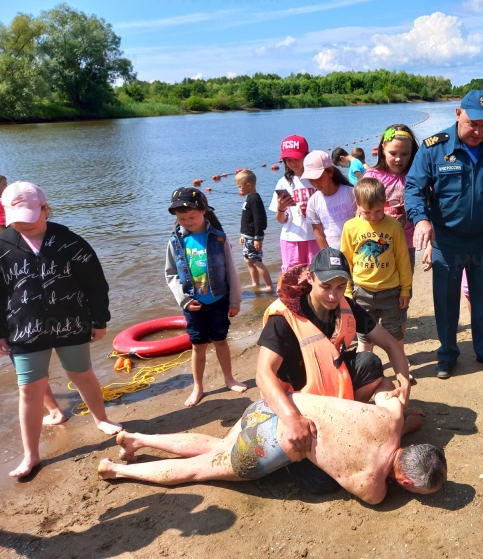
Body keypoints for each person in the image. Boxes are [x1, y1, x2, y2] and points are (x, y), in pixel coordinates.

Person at [98, 390, 447, 505]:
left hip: (276, 404)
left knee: (220, 446)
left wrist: (405, 416)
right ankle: (118, 470)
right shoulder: (374, 487)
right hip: (268, 444)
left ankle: (137, 439)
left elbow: (389, 396)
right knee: (199, 469)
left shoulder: (391, 420)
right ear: (405, 482)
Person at [0, 182, 122, 478]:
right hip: (24, 329)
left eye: (30, 217)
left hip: (70, 321)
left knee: (81, 373)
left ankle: (101, 418)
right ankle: (31, 455)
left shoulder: (69, 241)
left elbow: (95, 283)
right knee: (29, 389)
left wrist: (99, 319)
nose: (23, 226)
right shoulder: (2, 246)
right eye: (16, 219)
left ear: (45, 208)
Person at [405, 89, 483, 379]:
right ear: (458, 114)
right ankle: (447, 355)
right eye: (474, 123)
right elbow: (414, 188)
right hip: (447, 241)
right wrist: (421, 220)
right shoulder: (434, 147)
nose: (479, 131)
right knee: (446, 302)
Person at [255, 247, 412, 455]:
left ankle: (350, 421)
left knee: (370, 363)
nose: (333, 295)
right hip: (295, 399)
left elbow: (390, 344)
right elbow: (263, 373)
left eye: (340, 287)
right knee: (317, 484)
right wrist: (291, 417)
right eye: (325, 286)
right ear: (310, 278)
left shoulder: (346, 306)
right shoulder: (283, 318)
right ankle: (387, 424)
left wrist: (405, 383)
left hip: (329, 390)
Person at [165, 186, 246, 407]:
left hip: (219, 300)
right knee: (198, 346)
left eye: (191, 217)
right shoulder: (175, 241)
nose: (187, 221)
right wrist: (184, 300)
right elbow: (171, 274)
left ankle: (229, 378)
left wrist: (235, 301)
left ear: (203, 212)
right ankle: (198, 387)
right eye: (182, 218)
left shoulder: (219, 238)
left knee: (221, 341)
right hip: (193, 304)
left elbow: (231, 271)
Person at [340, 178, 413, 353]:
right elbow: (346, 262)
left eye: (378, 211)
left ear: (385, 203)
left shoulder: (394, 226)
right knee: (364, 336)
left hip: (390, 291)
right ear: (357, 204)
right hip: (361, 291)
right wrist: (347, 292)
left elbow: (403, 260)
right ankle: (367, 372)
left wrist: (405, 290)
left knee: (395, 334)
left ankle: (401, 366)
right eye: (367, 212)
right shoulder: (350, 227)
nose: (373, 217)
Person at [363, 124, 420, 272]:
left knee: (404, 286)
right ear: (383, 149)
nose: (398, 159)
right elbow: (360, 212)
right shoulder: (372, 177)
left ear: (412, 152)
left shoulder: (417, 176)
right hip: (377, 241)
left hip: (406, 242)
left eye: (405, 154)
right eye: (393, 153)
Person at [269, 135, 319, 272]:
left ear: (306, 156)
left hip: (316, 236)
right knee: (292, 278)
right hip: (291, 238)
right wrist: (280, 208)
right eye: (288, 160)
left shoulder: (317, 178)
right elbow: (281, 220)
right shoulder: (283, 182)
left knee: (317, 274)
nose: (292, 163)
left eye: (296, 159)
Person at [304, 150, 356, 250]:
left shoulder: (350, 193)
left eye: (318, 177)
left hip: (355, 249)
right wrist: (329, 257)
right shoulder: (312, 202)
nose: (315, 182)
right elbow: (319, 235)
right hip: (333, 254)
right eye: (310, 179)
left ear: (330, 172)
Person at [234, 169, 274, 292]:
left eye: (240, 187)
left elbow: (259, 219)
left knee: (256, 261)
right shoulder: (249, 197)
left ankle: (269, 286)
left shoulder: (254, 199)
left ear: (248, 185)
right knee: (248, 260)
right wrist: (243, 235)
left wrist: (257, 237)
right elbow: (247, 219)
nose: (239, 189)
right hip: (248, 237)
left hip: (253, 237)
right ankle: (255, 283)